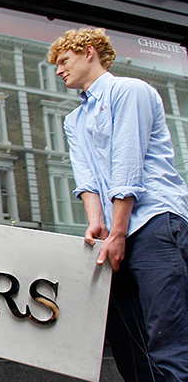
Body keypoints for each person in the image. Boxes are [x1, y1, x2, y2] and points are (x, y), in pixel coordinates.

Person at [47, 28, 188, 382]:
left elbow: (127, 163)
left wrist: (119, 230)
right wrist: (98, 224)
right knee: (128, 342)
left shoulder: (129, 91)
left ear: (89, 53)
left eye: (64, 61)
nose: (59, 70)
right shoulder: (73, 120)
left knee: (168, 337)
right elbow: (87, 180)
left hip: (154, 223)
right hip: (115, 235)